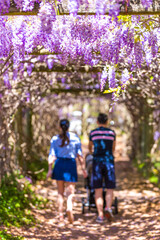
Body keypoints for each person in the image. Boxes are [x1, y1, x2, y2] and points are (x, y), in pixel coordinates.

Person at [47, 119, 87, 224]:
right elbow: (80, 155)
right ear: (69, 127)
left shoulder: (55, 139)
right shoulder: (75, 138)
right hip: (70, 165)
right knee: (70, 191)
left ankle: (61, 215)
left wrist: (50, 169)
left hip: (59, 164)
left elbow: (52, 156)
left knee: (60, 193)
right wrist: (83, 169)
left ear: (60, 127)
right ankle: (69, 207)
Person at [88, 113, 116, 223]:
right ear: (107, 122)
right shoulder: (112, 133)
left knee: (98, 190)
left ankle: (100, 216)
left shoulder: (93, 133)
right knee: (109, 188)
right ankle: (108, 208)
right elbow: (113, 148)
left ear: (97, 122)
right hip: (109, 161)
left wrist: (93, 153)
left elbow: (90, 147)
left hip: (97, 162)